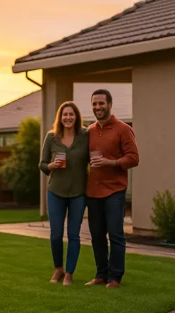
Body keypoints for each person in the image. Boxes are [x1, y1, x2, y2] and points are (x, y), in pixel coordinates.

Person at [86, 89, 139, 289]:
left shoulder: (123, 129)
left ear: (110, 104)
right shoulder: (89, 131)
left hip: (115, 191)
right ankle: (101, 274)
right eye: (94, 104)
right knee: (97, 235)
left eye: (101, 103)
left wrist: (110, 162)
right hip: (93, 192)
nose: (98, 107)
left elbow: (134, 158)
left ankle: (115, 277)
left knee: (116, 234)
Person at [39, 101, 89, 286]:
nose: (68, 117)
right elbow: (42, 164)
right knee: (56, 234)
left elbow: (93, 158)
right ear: (60, 118)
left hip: (78, 192)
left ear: (76, 117)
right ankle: (58, 268)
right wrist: (51, 166)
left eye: (71, 114)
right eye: (64, 114)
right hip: (56, 191)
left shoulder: (85, 136)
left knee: (74, 234)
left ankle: (69, 273)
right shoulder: (51, 137)